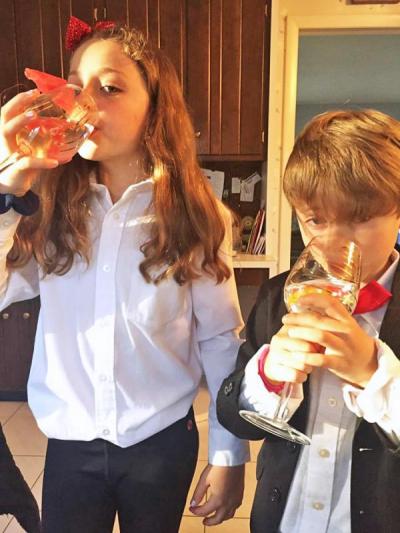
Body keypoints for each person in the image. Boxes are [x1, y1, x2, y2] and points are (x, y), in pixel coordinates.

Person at [0, 16, 249, 533]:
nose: (84, 102)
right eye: (75, 85)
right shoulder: (44, 210)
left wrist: (230, 455)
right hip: (70, 441)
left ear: (155, 107)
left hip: (161, 440)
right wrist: (8, 193)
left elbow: (222, 341)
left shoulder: (198, 218)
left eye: (108, 87)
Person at [217, 109, 400, 533]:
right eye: (316, 220)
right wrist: (265, 376)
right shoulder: (279, 294)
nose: (335, 244)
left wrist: (374, 374)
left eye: (360, 219)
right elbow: (232, 414)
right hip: (286, 517)